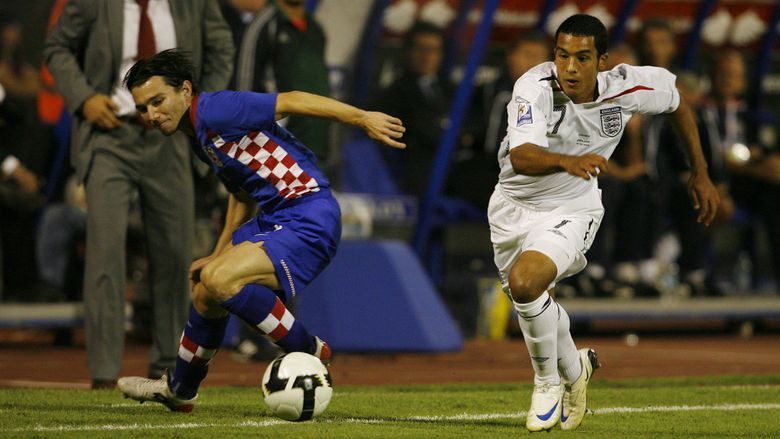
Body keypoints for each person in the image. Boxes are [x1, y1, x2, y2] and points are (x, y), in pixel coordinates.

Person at [116, 49, 405, 412]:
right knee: (206, 291)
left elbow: (292, 100)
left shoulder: (216, 109)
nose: (151, 115)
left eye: (157, 101)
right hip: (278, 217)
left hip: (308, 212)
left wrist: (361, 118)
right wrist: (218, 254)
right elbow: (241, 194)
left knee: (219, 280)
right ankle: (180, 390)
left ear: (185, 91)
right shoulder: (200, 134)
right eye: (143, 108)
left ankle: (306, 348)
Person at [487, 14, 718, 432]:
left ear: (602, 61)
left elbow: (679, 102)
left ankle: (547, 383)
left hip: (573, 207)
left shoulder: (626, 87)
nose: (569, 68)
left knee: (525, 283)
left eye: (581, 57)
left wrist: (699, 172)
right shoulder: (533, 87)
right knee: (534, 301)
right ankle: (576, 370)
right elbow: (521, 157)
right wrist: (566, 160)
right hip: (512, 207)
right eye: (562, 56)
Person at [43, 0, 235, 389]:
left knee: (175, 254)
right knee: (105, 252)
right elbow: (57, 47)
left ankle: (169, 365)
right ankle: (103, 373)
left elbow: (222, 48)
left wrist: (198, 108)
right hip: (109, 134)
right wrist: (83, 97)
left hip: (170, 138)